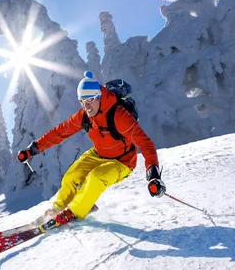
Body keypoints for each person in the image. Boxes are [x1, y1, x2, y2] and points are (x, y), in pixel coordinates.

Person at [17, 71, 166, 227]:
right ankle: (58, 209)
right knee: (71, 176)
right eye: (82, 101)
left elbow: (145, 143)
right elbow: (60, 132)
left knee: (96, 177)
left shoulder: (119, 116)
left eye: (90, 100)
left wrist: (153, 174)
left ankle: (74, 212)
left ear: (100, 96)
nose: (86, 106)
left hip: (122, 161)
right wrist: (32, 150)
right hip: (99, 154)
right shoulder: (84, 116)